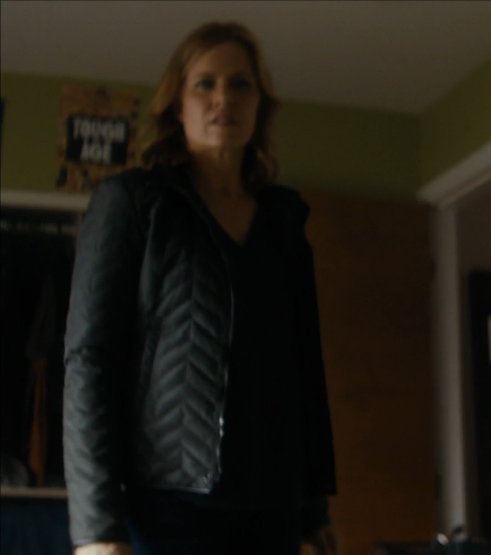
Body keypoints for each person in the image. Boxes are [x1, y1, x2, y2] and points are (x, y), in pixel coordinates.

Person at [63, 22, 337, 555]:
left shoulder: (284, 220)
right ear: (177, 104)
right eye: (204, 84)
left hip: (275, 508)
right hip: (168, 510)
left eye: (241, 84)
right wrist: (96, 526)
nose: (223, 98)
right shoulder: (133, 203)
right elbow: (89, 360)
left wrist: (314, 509)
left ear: (260, 104)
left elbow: (302, 369)